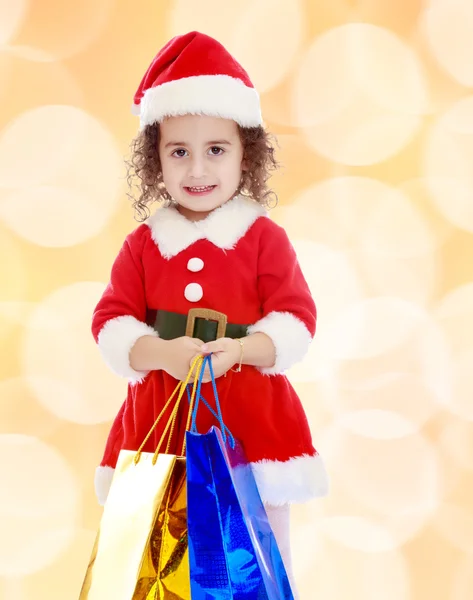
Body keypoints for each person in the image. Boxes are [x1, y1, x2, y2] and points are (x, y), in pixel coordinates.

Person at [91, 30, 328, 596]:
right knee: (159, 555)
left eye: (216, 150)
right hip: (159, 421)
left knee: (261, 549)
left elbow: (296, 319)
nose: (198, 169)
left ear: (246, 153)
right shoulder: (144, 245)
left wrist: (243, 350)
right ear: (156, 160)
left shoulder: (263, 238)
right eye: (179, 152)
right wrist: (160, 354)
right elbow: (111, 321)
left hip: (251, 421)